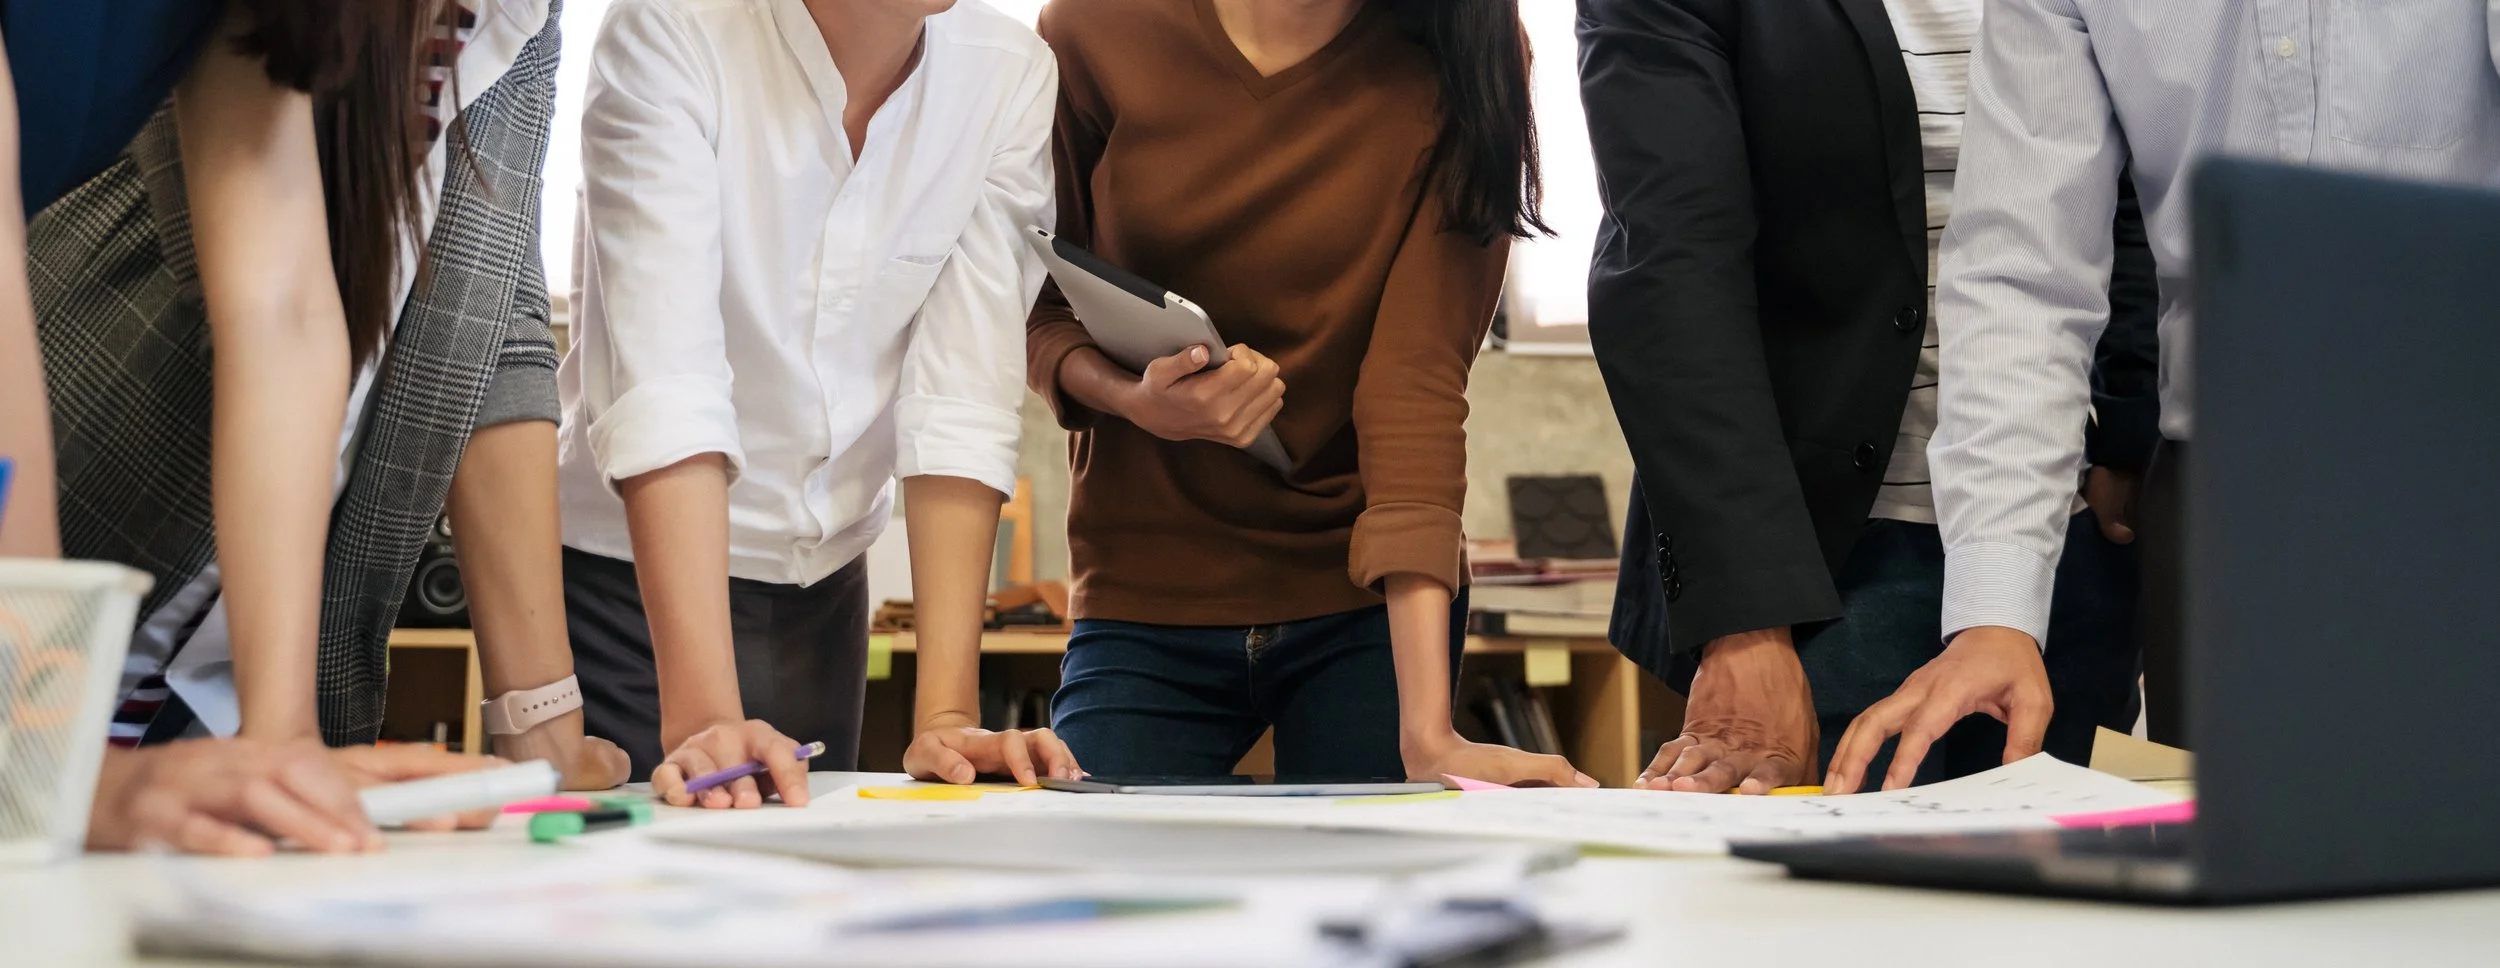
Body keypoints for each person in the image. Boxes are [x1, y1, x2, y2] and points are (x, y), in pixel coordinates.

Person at [1831, 0, 2500, 790]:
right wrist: (1995, 614)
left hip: (2468, 455)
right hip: (2227, 503)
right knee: (2253, 876)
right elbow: (2024, 274)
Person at [15, 0, 625, 800]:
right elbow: (263, 298)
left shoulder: (518, 23)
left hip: (220, 684)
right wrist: (37, 740)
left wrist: (284, 731)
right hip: (80, 563)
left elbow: (323, 310)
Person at [1577, 0, 2163, 795]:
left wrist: (2128, 426)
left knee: (2076, 902)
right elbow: (1670, 268)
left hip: (2073, 539)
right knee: (1831, 910)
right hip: (1821, 563)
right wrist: (1745, 621)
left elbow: (2138, 179)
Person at [1025, 0, 1589, 787]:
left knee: (1382, 899)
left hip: (1362, 602)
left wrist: (1427, 732)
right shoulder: (1092, 26)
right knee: (1096, 879)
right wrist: (1135, 399)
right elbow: (1038, 307)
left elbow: (1415, 382)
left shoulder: (1467, 47)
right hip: (1148, 586)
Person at [560, 0, 1072, 808]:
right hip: (632, 588)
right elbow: (667, 386)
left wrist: (946, 715)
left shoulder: (1007, 73)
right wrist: (704, 721)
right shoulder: (670, 27)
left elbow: (961, 396)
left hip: (823, 593)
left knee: (806, 904)